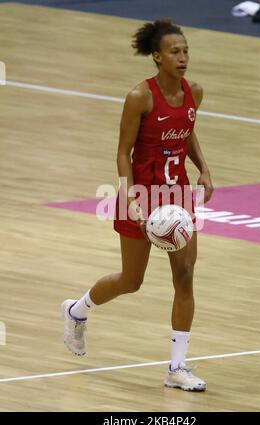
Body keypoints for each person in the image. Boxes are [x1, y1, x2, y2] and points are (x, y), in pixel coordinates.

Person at [61, 19, 214, 392]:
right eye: (175, 52)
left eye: (186, 50)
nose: (183, 57)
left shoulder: (194, 91)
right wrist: (127, 192)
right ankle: (76, 311)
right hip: (141, 196)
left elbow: (187, 130)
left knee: (185, 275)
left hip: (177, 196)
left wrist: (204, 170)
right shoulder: (139, 97)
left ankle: (177, 368)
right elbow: (122, 152)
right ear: (157, 56)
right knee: (132, 281)